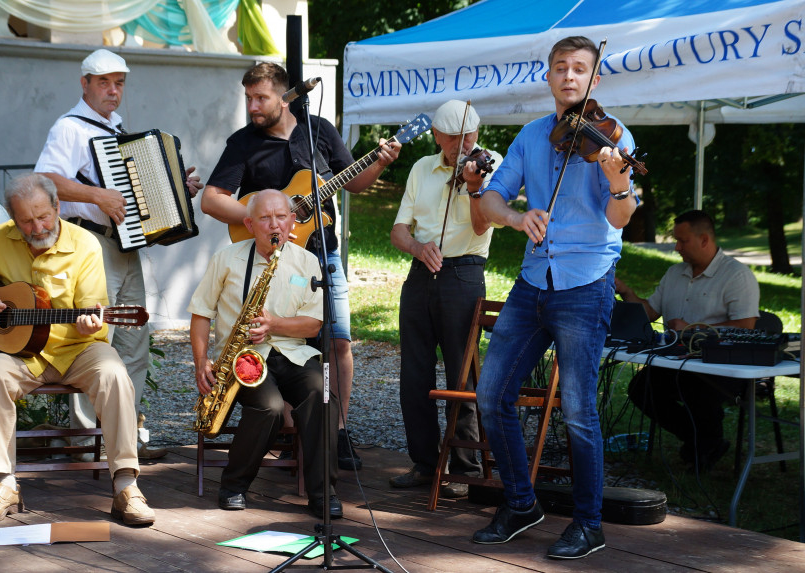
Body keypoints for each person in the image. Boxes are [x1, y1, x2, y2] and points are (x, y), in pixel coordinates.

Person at [470, 36, 638, 559]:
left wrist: (617, 182)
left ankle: (589, 525)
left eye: (579, 69)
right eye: (560, 67)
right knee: (491, 394)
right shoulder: (531, 135)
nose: (569, 76)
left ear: (594, 79)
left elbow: (620, 218)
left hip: (586, 281)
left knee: (580, 410)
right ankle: (522, 504)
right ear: (548, 77)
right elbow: (490, 199)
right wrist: (516, 217)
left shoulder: (613, 135)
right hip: (533, 279)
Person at [201, 62, 401, 471]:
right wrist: (264, 219)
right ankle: (291, 433)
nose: (252, 107)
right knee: (283, 340)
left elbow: (354, 182)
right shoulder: (244, 142)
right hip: (269, 261)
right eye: (248, 98)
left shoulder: (319, 130)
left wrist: (380, 163)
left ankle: (336, 432)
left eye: (261, 98)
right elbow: (211, 199)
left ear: (285, 96)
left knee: (338, 342)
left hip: (322, 254)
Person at [0, 174, 154, 526]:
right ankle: (4, 484)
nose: (37, 228)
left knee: (114, 374)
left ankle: (126, 486)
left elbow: (95, 315)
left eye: (43, 217)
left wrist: (90, 323)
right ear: (12, 217)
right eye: (26, 221)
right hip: (22, 354)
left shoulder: (84, 244)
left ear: (57, 206)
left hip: (78, 348)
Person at [35, 49, 203, 462]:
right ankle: (85, 443)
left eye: (119, 83)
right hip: (88, 244)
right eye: (104, 82)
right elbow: (45, 179)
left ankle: (123, 440)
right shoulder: (70, 127)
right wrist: (97, 195)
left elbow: (136, 191)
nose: (113, 90)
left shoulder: (117, 129)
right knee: (94, 341)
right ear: (85, 84)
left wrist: (176, 189)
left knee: (132, 342)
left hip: (124, 245)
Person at [189, 189, 341, 518]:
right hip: (243, 357)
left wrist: (274, 325)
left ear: (292, 221)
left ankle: (323, 493)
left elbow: (314, 324)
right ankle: (233, 485)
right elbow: (201, 314)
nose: (275, 225)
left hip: (293, 354)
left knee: (322, 393)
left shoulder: (307, 261)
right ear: (249, 224)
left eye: (281, 217)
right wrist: (201, 362)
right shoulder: (226, 259)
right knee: (269, 407)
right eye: (265, 218)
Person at [388, 100, 500, 498]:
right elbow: (399, 230)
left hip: (464, 273)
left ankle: (467, 468)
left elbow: (482, 225)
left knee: (461, 373)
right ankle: (425, 463)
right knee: (414, 374)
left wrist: (474, 186)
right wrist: (418, 248)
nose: (462, 146)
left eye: (469, 137)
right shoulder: (422, 168)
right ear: (437, 136)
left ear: (477, 133)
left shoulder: (489, 164)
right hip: (421, 273)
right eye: (453, 138)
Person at [615, 210, 759, 470]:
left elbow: (746, 326)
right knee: (641, 388)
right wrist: (625, 291)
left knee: (696, 389)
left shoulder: (737, 275)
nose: (676, 247)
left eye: (683, 241)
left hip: (720, 366)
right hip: (678, 360)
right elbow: (649, 313)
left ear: (704, 240)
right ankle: (702, 440)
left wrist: (693, 329)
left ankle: (705, 443)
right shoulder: (675, 273)